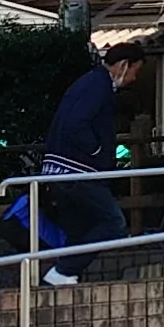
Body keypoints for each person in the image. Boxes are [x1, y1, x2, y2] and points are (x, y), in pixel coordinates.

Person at [32, 46, 145, 284]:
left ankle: (65, 277)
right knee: (114, 223)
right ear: (123, 65)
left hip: (59, 170)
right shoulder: (99, 86)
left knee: (78, 230)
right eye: (135, 70)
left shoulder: (87, 83)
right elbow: (77, 124)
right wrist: (97, 151)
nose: (134, 78)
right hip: (78, 170)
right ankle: (63, 271)